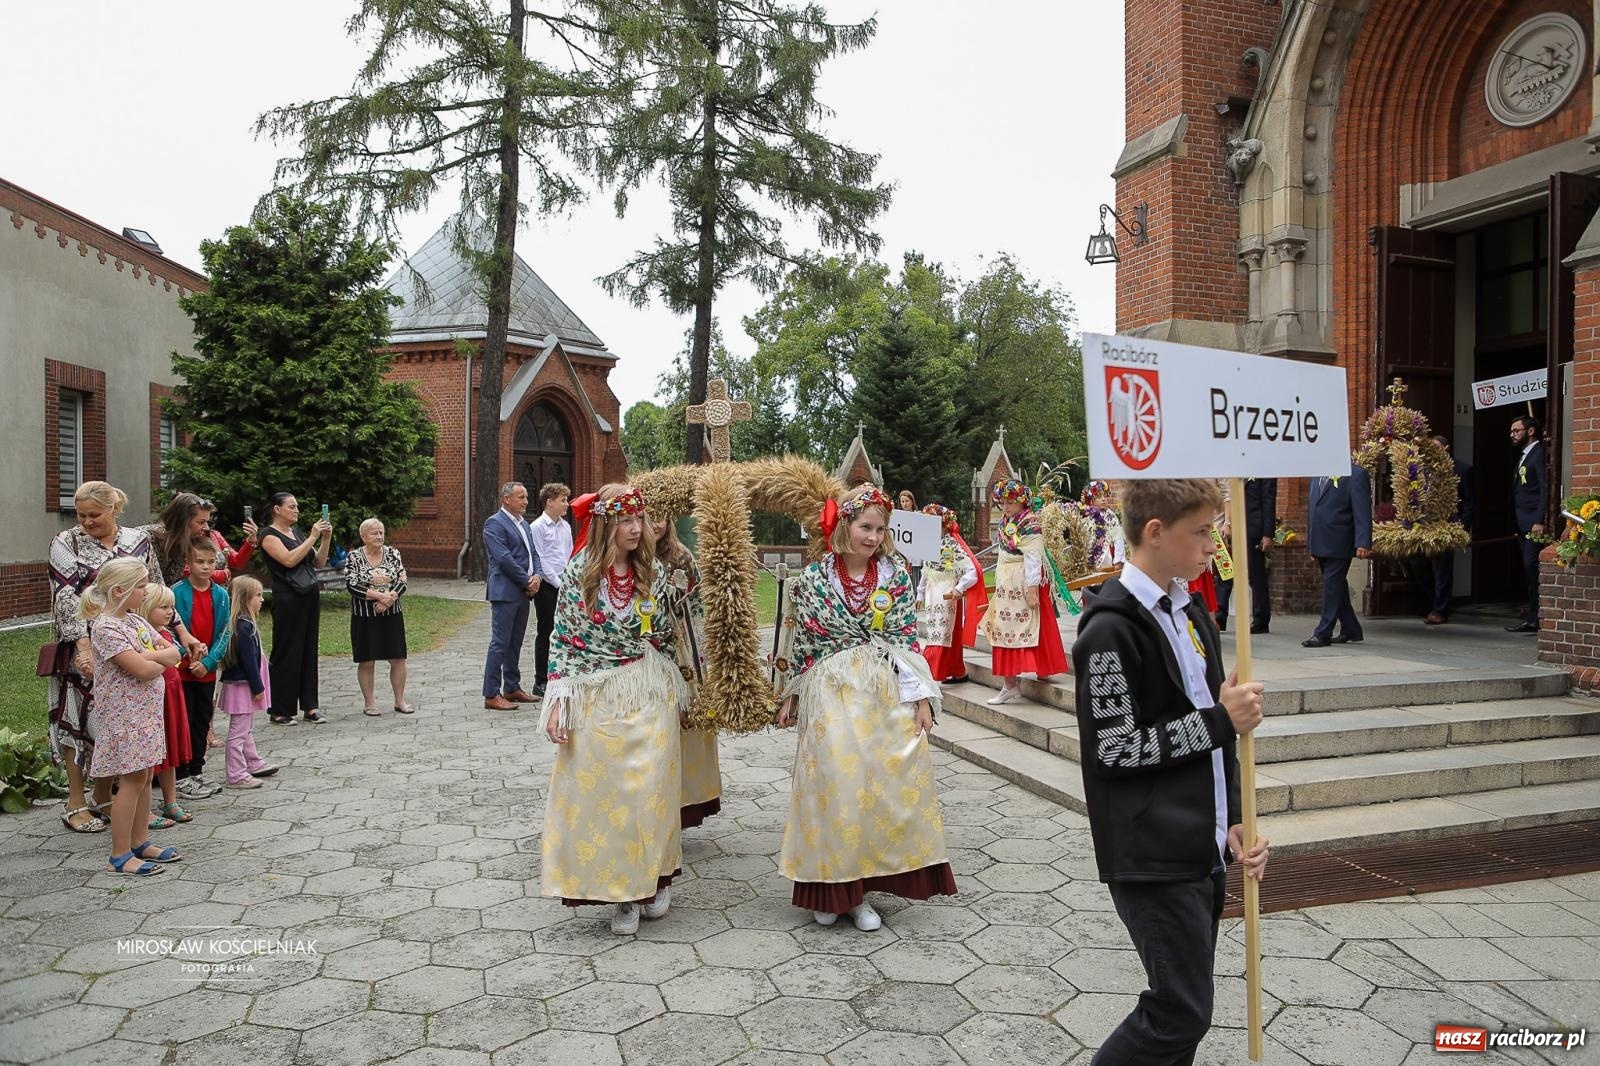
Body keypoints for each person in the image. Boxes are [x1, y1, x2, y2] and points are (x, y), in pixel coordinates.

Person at [1071, 479, 1269, 1065]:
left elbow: (1217, 735)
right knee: (1180, 1010)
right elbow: (1114, 749)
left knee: (1180, 1018)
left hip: (1200, 843)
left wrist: (1234, 816)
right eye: (1203, 531)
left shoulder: (1193, 613)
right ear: (1155, 532)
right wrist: (1219, 720)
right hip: (1149, 849)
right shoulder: (1108, 629)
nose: (1215, 543)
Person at [774, 484, 956, 931]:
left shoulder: (894, 575)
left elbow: (904, 641)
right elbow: (805, 644)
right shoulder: (816, 577)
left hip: (880, 694)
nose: (873, 537)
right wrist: (792, 695)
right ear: (845, 526)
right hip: (831, 695)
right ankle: (829, 887)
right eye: (864, 527)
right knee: (835, 787)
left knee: (877, 788)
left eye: (880, 529)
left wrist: (921, 699)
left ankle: (859, 893)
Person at [539, 485, 690, 936]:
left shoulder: (655, 574)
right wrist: (556, 704)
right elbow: (563, 640)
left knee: (651, 792)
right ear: (606, 525)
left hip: (648, 691)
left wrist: (685, 692)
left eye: (639, 520)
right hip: (597, 696)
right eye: (626, 520)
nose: (635, 528)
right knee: (606, 797)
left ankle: (653, 880)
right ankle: (619, 894)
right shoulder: (578, 575)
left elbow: (666, 635)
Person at [48, 482, 167, 834]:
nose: (86, 521)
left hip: (131, 640)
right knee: (77, 719)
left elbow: (154, 588)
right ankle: (75, 802)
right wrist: (84, 649)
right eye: (81, 515)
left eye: (94, 514)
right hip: (82, 644)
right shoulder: (66, 542)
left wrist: (170, 634)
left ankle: (104, 797)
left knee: (118, 723)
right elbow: (66, 598)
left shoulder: (137, 541)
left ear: (114, 508)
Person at [77, 558, 184, 876]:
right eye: (140, 586)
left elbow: (174, 649)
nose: (145, 590)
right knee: (132, 780)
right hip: (126, 719)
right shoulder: (105, 627)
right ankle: (119, 855)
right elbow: (140, 669)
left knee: (145, 776)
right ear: (120, 590)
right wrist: (155, 659)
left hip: (147, 716)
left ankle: (140, 842)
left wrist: (152, 656)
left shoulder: (135, 621)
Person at [651, 511, 723, 829]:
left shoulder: (681, 556)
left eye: (661, 518)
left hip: (680, 643)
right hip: (646, 644)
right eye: (649, 517)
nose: (656, 523)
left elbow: (698, 603)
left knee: (687, 721)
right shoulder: (632, 556)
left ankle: (685, 801)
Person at [981, 478, 1068, 704]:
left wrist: (1032, 589)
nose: (1005, 506)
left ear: (1022, 502)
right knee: (1006, 628)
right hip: (1007, 580)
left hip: (1023, 580)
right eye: (1003, 502)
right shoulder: (1006, 522)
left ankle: (1021, 679)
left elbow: (1033, 557)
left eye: (1010, 502)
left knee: (1028, 624)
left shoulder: (1030, 523)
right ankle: (1010, 683)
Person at [259, 493, 332, 724]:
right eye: (292, 506)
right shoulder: (268, 535)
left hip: (309, 596)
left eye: (297, 506)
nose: (296, 510)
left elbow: (318, 562)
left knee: (309, 650)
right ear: (276, 509)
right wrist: (312, 536)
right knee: (287, 651)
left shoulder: (297, 533)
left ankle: (310, 705)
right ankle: (280, 709)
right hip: (288, 598)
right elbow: (289, 560)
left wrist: (325, 539)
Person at [173, 538, 230, 801]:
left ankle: (196, 770)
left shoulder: (220, 594)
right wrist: (188, 659)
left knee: (202, 720)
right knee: (183, 720)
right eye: (200, 562)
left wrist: (207, 663)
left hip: (205, 672)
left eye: (210, 562)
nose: (206, 567)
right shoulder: (176, 593)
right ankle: (181, 775)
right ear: (188, 562)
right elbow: (170, 630)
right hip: (181, 672)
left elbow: (224, 634)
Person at [138, 585, 193, 830]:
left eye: (171, 607)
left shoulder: (167, 635)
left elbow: (176, 657)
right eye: (163, 607)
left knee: (169, 751)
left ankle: (170, 801)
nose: (170, 612)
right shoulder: (141, 637)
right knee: (150, 756)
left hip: (171, 694)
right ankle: (144, 809)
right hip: (152, 699)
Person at [483, 482, 542, 710]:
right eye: (521, 497)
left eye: (526, 496)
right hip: (506, 591)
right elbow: (504, 558)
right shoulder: (494, 524)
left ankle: (512, 687)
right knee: (500, 642)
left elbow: (533, 553)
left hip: (523, 591)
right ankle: (491, 693)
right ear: (506, 499)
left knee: (515, 642)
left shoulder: (524, 524)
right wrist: (526, 580)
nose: (526, 501)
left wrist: (537, 575)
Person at [1303, 464, 1373, 648]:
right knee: (1337, 587)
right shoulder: (1317, 474)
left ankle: (1323, 632)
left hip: (1340, 541)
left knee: (1331, 586)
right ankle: (1351, 628)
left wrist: (1363, 542)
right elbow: (1313, 510)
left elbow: (1362, 509)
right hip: (1320, 541)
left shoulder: (1355, 474)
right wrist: (1310, 543)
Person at [218, 576, 279, 789]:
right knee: (239, 731)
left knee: (245, 727)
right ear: (245, 599)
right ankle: (235, 774)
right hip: (243, 685)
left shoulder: (242, 624)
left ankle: (252, 761)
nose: (262, 599)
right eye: (258, 595)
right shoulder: (244, 627)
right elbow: (249, 662)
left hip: (242, 685)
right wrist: (258, 687)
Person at [347, 518, 411, 716]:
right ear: (363, 536)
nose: (379, 536)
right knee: (367, 660)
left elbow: (402, 579)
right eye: (374, 533)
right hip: (364, 615)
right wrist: (379, 596)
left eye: (381, 532)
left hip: (391, 613)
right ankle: (369, 703)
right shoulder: (354, 556)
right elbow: (352, 584)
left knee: (398, 658)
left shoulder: (392, 553)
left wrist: (390, 598)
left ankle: (400, 700)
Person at [917, 503, 986, 684]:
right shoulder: (928, 543)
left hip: (947, 595)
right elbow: (926, 570)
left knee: (942, 635)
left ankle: (930, 672)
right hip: (933, 595)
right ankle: (958, 671)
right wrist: (920, 594)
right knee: (937, 633)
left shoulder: (952, 545)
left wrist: (958, 588)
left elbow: (972, 570)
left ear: (943, 524)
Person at [1408, 436, 1474, 625]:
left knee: (1443, 568)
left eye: (1436, 447)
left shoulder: (1462, 469)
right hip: (1424, 526)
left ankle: (1440, 610)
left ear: (1446, 448)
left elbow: (1469, 502)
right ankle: (1432, 602)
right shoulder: (1422, 471)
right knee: (1417, 563)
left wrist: (1462, 528)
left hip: (1447, 526)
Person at [147, 492, 256, 584]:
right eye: (200, 522)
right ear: (183, 520)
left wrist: (251, 541)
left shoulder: (213, 535)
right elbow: (186, 572)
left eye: (206, 522)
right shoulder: (151, 537)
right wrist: (223, 574)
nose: (205, 527)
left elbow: (237, 562)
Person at [1213, 478, 1276, 634]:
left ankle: (1261, 619)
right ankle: (1220, 615)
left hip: (1253, 527)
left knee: (1255, 575)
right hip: (1229, 525)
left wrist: (1267, 534)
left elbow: (1269, 500)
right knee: (1224, 570)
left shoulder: (1264, 470)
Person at [529, 482, 574, 698]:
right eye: (563, 500)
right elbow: (540, 558)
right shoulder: (537, 527)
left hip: (565, 583)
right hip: (548, 585)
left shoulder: (565, 526)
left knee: (566, 629)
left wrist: (570, 578)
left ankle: (562, 674)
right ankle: (541, 680)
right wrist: (557, 582)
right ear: (549, 502)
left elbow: (568, 553)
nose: (566, 504)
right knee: (546, 630)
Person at [1506, 415, 1546, 634]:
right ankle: (1532, 617)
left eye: (1516, 430)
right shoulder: (1523, 455)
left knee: (1532, 569)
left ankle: (1537, 617)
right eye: (1511, 431)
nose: (1512, 435)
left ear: (1530, 431)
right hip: (1522, 522)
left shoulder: (1538, 454)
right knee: (1528, 570)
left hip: (1533, 523)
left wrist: (1539, 520)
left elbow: (1543, 488)